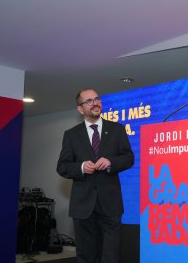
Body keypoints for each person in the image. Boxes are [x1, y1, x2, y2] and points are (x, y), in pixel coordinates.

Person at [57, 88, 134, 263]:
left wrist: (111, 163)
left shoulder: (117, 130)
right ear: (80, 109)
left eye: (97, 99)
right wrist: (82, 167)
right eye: (89, 101)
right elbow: (62, 167)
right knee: (86, 254)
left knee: (111, 254)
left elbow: (129, 158)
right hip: (83, 204)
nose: (95, 103)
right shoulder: (71, 135)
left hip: (110, 203)